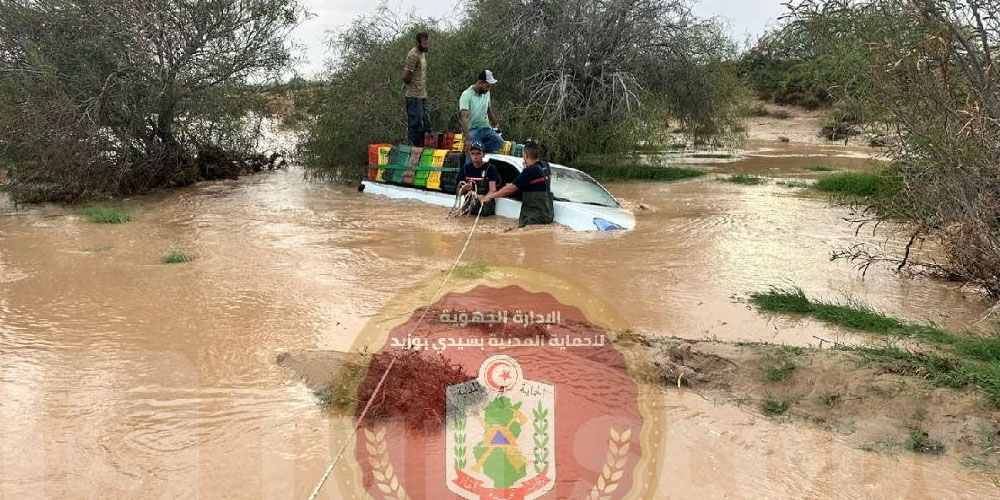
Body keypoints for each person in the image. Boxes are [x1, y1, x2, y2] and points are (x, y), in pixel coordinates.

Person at [478, 141, 554, 228]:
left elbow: (508, 190)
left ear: (525, 155)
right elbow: (537, 186)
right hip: (548, 214)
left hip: (533, 218)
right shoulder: (545, 166)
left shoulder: (530, 171)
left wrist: (489, 197)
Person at [459, 70, 503, 155]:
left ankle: (479, 149)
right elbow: (464, 118)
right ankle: (473, 155)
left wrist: (496, 124)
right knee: (471, 152)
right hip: (473, 130)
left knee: (499, 142)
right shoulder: (466, 95)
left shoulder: (486, 93)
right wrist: (467, 138)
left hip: (485, 128)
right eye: (487, 86)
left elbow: (488, 110)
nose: (489, 89)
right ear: (480, 83)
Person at [403, 32, 431, 146]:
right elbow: (405, 76)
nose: (426, 45)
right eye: (424, 43)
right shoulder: (413, 55)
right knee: (416, 125)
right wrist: (414, 85)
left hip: (422, 94)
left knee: (426, 124)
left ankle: (422, 148)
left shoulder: (422, 54)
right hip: (413, 95)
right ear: (418, 42)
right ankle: (415, 150)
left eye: (427, 42)